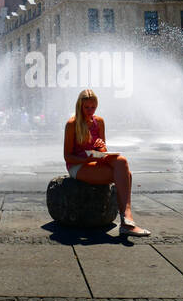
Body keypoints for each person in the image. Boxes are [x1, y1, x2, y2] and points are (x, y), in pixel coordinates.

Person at [62, 89, 150, 236]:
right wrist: (86, 159)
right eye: (86, 107)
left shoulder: (99, 122)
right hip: (78, 165)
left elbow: (103, 150)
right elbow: (67, 156)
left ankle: (126, 218)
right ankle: (127, 222)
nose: (90, 110)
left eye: (93, 107)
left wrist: (100, 146)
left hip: (95, 160)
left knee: (121, 161)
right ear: (79, 106)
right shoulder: (72, 124)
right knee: (125, 174)